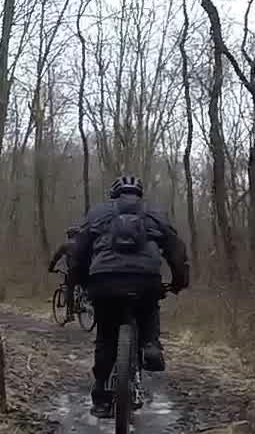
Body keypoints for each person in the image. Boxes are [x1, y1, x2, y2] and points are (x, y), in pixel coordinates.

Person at [69, 174, 190, 418]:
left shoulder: (98, 213)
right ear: (139, 195)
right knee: (148, 307)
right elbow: (176, 251)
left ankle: (102, 399)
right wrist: (178, 282)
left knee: (105, 337)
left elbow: (78, 251)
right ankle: (150, 345)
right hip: (145, 281)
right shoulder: (155, 214)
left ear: (113, 195)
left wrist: (81, 280)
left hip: (104, 282)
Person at [48, 224, 81, 321]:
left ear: (69, 235)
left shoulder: (66, 245)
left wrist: (51, 268)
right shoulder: (84, 244)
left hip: (73, 270)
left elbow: (56, 257)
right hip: (86, 270)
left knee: (70, 289)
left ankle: (70, 313)